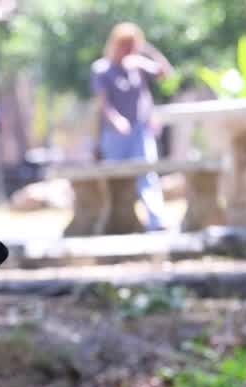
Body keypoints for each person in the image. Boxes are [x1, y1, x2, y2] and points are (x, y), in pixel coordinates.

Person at [90, 22, 173, 231]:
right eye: (124, 45)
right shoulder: (102, 69)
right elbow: (103, 104)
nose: (128, 50)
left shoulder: (138, 65)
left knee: (147, 174)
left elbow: (166, 73)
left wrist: (148, 50)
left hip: (140, 131)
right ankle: (113, 224)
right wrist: (116, 120)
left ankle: (156, 221)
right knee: (115, 180)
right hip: (114, 134)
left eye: (132, 45)